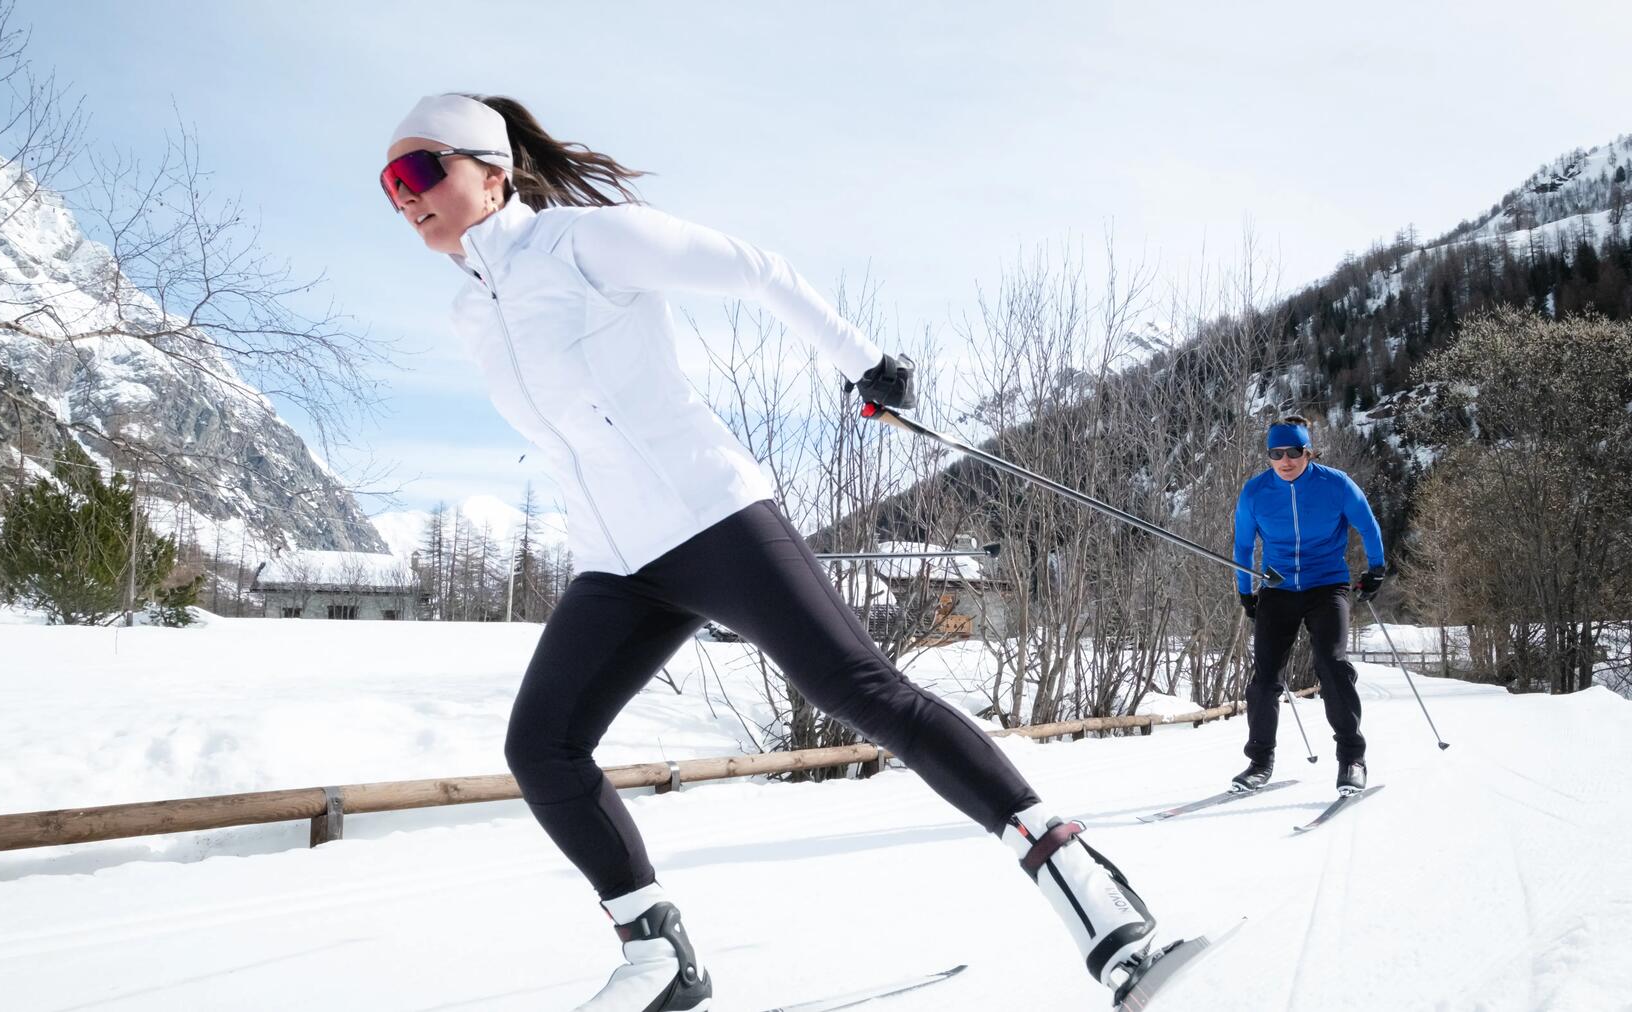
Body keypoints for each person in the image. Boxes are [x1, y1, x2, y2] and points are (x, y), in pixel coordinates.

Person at [381, 93, 1169, 1011]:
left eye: (420, 171)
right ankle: (659, 954)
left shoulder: (582, 245)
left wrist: (862, 359)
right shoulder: (469, 314)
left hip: (711, 517)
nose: (404, 196)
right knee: (543, 746)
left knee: (864, 692)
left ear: (493, 168)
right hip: (614, 560)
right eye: (389, 184)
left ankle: (1082, 883)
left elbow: (754, 269)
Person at [1232, 415, 1386, 797]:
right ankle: (1259, 762)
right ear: (1268, 455)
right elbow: (1242, 547)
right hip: (1278, 587)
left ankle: (1352, 758)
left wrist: (1377, 569)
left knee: (1332, 666)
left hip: (1327, 585)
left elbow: (1367, 526)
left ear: (1308, 451)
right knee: (1265, 677)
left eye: (1294, 451)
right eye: (1276, 453)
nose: (1286, 460)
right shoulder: (1255, 492)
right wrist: (1245, 592)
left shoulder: (1335, 485)